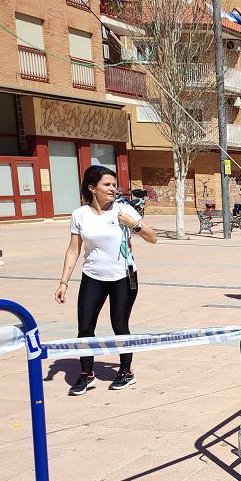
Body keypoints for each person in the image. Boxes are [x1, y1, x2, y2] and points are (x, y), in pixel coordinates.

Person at [55, 165, 157, 394]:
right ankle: (86, 373)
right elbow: (73, 250)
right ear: (92, 188)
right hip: (92, 277)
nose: (113, 189)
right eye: (107, 185)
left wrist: (134, 225)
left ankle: (126, 371)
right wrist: (63, 282)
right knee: (85, 327)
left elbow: (153, 238)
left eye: (114, 185)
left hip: (123, 276)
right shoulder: (79, 214)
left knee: (119, 325)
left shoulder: (123, 210)